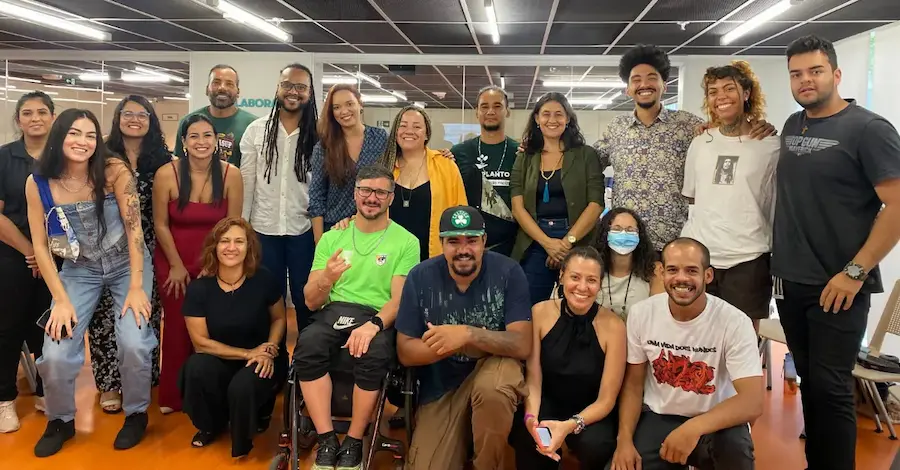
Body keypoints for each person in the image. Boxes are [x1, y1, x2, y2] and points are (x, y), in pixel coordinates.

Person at [772, 35, 900, 470]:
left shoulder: (868, 128)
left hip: (838, 284)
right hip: (792, 281)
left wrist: (856, 271)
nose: (805, 80)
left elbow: (897, 205)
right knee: (812, 386)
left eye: (815, 71)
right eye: (796, 74)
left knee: (832, 389)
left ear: (836, 74)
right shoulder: (793, 125)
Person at [25, 109, 157, 456]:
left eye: (89, 135)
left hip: (128, 266)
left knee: (134, 341)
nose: (82, 142)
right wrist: (60, 298)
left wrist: (136, 286)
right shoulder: (38, 182)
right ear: (59, 136)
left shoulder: (113, 171)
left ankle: (136, 413)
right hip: (77, 271)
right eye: (73, 133)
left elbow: (134, 230)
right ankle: (60, 420)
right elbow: (40, 244)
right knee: (55, 350)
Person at [294, 165, 419, 470]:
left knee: (373, 354)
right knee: (307, 346)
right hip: (334, 311)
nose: (371, 197)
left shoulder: (406, 242)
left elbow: (399, 300)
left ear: (391, 197)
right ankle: (326, 439)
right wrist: (327, 277)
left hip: (377, 316)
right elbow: (311, 301)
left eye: (380, 192)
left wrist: (373, 325)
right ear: (355, 193)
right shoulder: (332, 239)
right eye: (365, 190)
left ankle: (353, 439)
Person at [595, 45, 775, 253]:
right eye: (636, 80)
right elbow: (588, 163)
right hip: (626, 243)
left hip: (675, 245)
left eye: (652, 78)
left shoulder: (689, 125)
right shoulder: (616, 128)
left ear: (665, 85)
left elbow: (729, 132)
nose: (644, 84)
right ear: (628, 89)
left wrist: (758, 124)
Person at [396, 205, 533, 470]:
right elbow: (405, 351)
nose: (463, 249)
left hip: (494, 366)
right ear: (441, 243)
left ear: (484, 241)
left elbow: (522, 343)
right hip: (442, 383)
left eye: (471, 240)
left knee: (493, 392)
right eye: (454, 241)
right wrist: (448, 344)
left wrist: (467, 334)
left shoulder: (509, 272)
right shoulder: (420, 277)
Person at [610, 238, 763, 470]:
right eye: (672, 269)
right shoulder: (642, 314)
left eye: (692, 270)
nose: (681, 278)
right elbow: (633, 385)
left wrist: (693, 427)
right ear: (661, 272)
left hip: (717, 420)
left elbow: (752, 402)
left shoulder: (734, 322)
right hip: (660, 416)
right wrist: (624, 441)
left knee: (735, 449)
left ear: (708, 276)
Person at [152, 114, 243, 413]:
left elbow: (233, 225)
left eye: (207, 136)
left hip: (217, 259)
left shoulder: (231, 174)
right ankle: (174, 395)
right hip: (173, 258)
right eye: (194, 136)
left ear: (216, 141)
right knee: (178, 325)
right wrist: (177, 265)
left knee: (213, 326)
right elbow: (161, 225)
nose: (201, 142)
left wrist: (213, 264)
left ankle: (210, 393)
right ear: (183, 142)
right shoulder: (167, 174)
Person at [681, 61, 780, 334]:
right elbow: (693, 199)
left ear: (746, 93)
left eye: (729, 88)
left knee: (742, 344)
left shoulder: (770, 145)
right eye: (713, 91)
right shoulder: (700, 142)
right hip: (701, 258)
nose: (720, 96)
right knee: (698, 342)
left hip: (748, 260)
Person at [89, 95, 170, 415]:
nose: (135, 119)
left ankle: (143, 376)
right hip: (105, 248)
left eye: (142, 114)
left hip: (150, 247)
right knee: (104, 318)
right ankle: (110, 383)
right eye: (128, 113)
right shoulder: (100, 156)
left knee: (143, 314)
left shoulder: (163, 160)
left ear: (152, 120)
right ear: (117, 118)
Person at [180, 217, 287, 458]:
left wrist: (269, 347)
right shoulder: (200, 288)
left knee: (243, 386)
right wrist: (248, 353)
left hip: (261, 358)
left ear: (249, 247)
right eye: (225, 241)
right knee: (195, 368)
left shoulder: (263, 279)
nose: (231, 247)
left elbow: (279, 318)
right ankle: (211, 425)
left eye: (239, 241)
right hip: (223, 357)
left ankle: (252, 423)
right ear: (214, 247)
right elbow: (200, 343)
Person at [509, 246, 625, 469]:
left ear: (600, 284)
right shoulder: (539, 312)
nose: (582, 287)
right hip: (547, 402)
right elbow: (534, 379)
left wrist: (571, 425)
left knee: (597, 444)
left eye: (591, 280)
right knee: (529, 437)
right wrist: (531, 419)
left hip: (590, 412)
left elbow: (607, 399)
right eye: (575, 277)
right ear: (561, 276)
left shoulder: (614, 326)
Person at [240, 63, 319, 328]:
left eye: (300, 87)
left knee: (304, 296)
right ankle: (271, 357)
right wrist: (243, 228)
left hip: (303, 230)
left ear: (310, 93)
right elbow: (247, 184)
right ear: (277, 89)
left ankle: (305, 359)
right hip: (263, 230)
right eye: (287, 85)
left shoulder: (320, 135)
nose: (293, 92)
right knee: (268, 297)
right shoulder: (256, 131)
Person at [511, 92, 604, 305]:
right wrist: (547, 244)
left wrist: (566, 243)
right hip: (535, 241)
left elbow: (596, 203)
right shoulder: (525, 157)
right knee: (528, 308)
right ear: (536, 118)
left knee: (578, 305)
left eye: (559, 114)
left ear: (568, 118)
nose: (552, 120)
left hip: (578, 238)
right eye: (546, 114)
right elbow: (518, 207)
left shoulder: (585, 155)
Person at [0, 92, 55, 432]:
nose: (35, 118)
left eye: (42, 112)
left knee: (50, 328)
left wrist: (45, 253)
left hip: (58, 256)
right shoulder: (5, 158)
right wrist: (30, 252)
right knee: (9, 328)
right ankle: (5, 400)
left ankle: (46, 391)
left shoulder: (63, 156)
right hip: (12, 254)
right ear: (18, 120)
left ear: (52, 117)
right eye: (28, 113)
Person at [377, 105, 468, 262]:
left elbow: (460, 214)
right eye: (403, 126)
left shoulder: (446, 165)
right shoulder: (384, 167)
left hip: (435, 260)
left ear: (427, 134)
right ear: (395, 132)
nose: (409, 131)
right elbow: (369, 209)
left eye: (417, 126)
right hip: (388, 260)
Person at [309, 84, 388, 243]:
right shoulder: (324, 147)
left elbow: (406, 160)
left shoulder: (380, 138)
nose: (344, 111)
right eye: (336, 107)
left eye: (349, 104)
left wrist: (441, 155)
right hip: (336, 229)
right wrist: (320, 242)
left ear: (360, 104)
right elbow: (316, 197)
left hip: (373, 227)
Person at [452, 85, 520, 257]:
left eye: (497, 106)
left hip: (511, 246)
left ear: (507, 111)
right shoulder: (459, 152)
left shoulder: (520, 153)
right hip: (468, 245)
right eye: (484, 106)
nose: (490, 111)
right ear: (477, 112)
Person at [174, 64, 257, 166]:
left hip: (238, 181)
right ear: (206, 89)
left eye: (229, 84)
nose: (222, 88)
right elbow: (179, 162)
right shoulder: (188, 122)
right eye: (216, 83)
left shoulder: (253, 125)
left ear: (238, 91)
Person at [592, 208, 662, 319]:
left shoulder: (654, 271)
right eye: (617, 229)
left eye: (630, 230)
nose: (624, 234)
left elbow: (659, 315)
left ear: (640, 236)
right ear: (605, 234)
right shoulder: (592, 269)